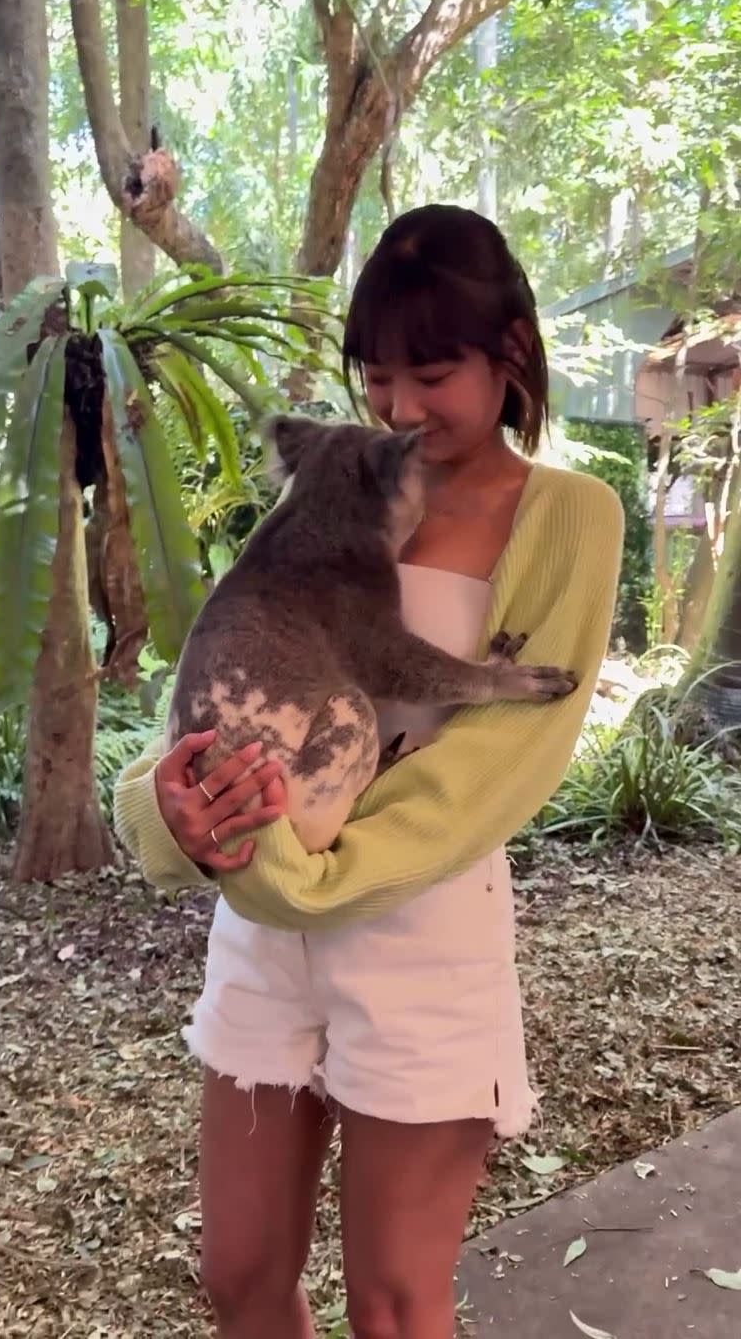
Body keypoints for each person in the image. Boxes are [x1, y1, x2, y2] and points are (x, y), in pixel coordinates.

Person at [115, 204, 623, 1339]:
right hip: (260, 924)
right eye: (374, 376)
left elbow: (499, 761)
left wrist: (291, 865)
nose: (397, 408)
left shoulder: (567, 518)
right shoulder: (329, 479)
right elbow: (218, 677)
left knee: (392, 1304)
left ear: (513, 355)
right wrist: (170, 808)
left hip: (416, 930)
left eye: (431, 373)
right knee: (240, 1278)